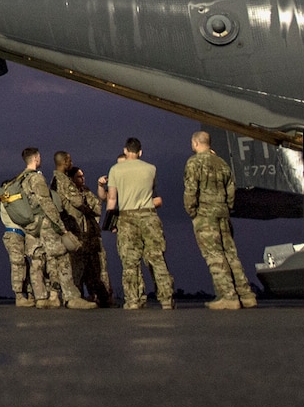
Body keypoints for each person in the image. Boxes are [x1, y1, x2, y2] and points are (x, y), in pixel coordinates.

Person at [184, 130, 257, 309]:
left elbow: (190, 190)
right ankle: (246, 295)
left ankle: (228, 296)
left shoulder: (194, 163)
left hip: (205, 214)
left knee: (214, 255)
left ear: (195, 143)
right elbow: (231, 189)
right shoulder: (222, 162)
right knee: (230, 253)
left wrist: (191, 211)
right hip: (223, 213)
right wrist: (227, 206)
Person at [19, 148, 95, 308]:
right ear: (36, 158)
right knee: (63, 257)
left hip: (34, 225)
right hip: (47, 223)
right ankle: (71, 297)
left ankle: (52, 296)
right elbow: (46, 203)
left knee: (50, 260)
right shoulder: (36, 179)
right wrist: (60, 226)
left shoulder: (22, 179)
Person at [108, 137, 174, 309]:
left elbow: (112, 199)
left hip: (126, 217)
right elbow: (153, 193)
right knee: (157, 258)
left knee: (129, 262)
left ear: (125, 150)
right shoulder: (151, 169)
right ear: (140, 152)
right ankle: (166, 299)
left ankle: (132, 300)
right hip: (149, 216)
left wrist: (110, 223)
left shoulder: (115, 170)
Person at [54, 157, 112, 307]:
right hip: (77, 234)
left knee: (97, 271)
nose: (83, 179)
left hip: (91, 237)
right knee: (77, 270)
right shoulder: (66, 191)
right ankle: (75, 297)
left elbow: (97, 208)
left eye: (83, 176)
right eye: (79, 176)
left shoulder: (86, 192)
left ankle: (102, 297)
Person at [0, 176, 34, 307]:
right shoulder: (7, 199)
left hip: (20, 234)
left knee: (26, 265)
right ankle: (19, 296)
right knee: (18, 264)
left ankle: (29, 294)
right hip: (13, 234)